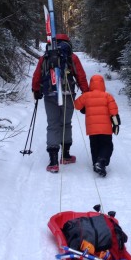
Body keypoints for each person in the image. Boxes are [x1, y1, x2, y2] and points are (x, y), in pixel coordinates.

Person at [32, 33, 89, 173]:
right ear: (67, 42)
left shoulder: (45, 56)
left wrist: (36, 90)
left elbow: (37, 75)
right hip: (67, 94)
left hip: (50, 94)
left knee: (52, 125)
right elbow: (80, 76)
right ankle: (65, 156)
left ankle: (53, 161)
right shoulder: (72, 57)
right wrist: (86, 93)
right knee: (66, 123)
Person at [73, 74, 121, 177]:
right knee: (107, 145)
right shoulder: (107, 96)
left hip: (92, 129)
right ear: (103, 84)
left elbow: (76, 105)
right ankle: (101, 162)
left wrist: (84, 104)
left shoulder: (86, 96)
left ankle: (96, 163)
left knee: (94, 146)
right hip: (106, 129)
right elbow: (114, 112)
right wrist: (116, 125)